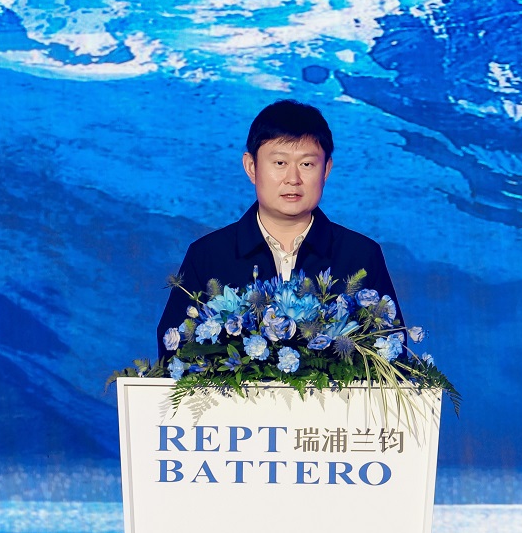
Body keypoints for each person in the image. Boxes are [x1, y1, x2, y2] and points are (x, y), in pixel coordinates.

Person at [156, 99, 402, 360]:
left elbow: (392, 354)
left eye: (307, 164)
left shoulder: (361, 255)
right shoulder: (208, 256)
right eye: (280, 163)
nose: (293, 179)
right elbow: (175, 357)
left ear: (326, 169)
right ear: (251, 167)